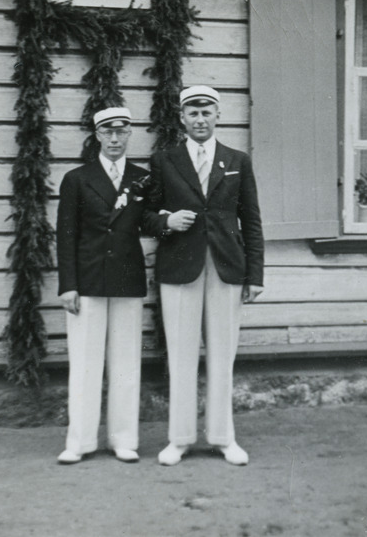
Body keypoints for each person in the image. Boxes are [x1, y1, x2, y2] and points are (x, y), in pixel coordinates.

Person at [148, 85, 264, 466]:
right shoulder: (165, 160)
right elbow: (146, 216)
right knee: (181, 355)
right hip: (180, 267)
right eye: (193, 113)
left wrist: (255, 275)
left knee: (222, 354)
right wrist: (167, 220)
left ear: (218, 116)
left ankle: (222, 437)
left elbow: (252, 220)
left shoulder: (236, 160)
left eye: (207, 112)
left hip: (226, 267)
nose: (200, 119)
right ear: (182, 118)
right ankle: (179, 439)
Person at [56, 107, 161, 465]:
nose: (115, 139)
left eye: (122, 132)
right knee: (85, 364)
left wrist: (169, 222)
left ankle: (123, 439)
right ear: (97, 135)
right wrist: (67, 285)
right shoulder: (77, 179)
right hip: (86, 280)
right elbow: (66, 235)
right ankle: (80, 442)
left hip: (127, 279)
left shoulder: (143, 179)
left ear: (130, 134)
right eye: (108, 133)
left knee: (126, 364)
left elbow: (150, 222)